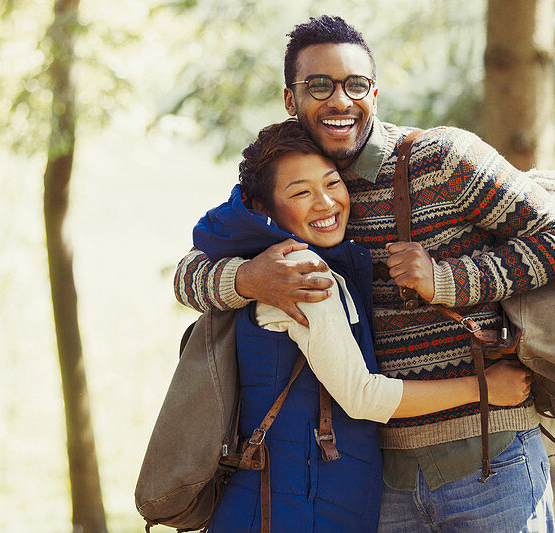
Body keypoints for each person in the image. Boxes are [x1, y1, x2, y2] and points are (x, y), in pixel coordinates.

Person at [175, 16, 555, 532]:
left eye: (355, 84)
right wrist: (249, 279)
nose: (340, 101)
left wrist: (448, 280)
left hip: (490, 456)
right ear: (289, 99)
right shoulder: (287, 184)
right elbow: (191, 271)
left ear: (374, 92)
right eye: (319, 86)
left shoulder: (444, 158)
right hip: (381, 480)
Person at [197, 119, 531, 533]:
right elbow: (362, 396)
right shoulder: (300, 272)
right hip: (291, 505)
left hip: (285, 497)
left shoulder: (263, 258)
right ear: (263, 208)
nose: (324, 203)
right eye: (300, 192)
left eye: (332, 183)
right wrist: (485, 388)